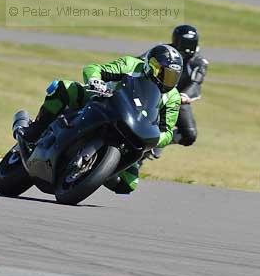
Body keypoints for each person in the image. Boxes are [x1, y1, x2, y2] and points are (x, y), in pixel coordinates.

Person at [20, 44, 183, 194]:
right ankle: (35, 130)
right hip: (102, 102)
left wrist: (155, 137)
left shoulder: (173, 96)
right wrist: (95, 80)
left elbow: (167, 131)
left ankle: (95, 173)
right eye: (162, 72)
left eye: (172, 77)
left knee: (129, 184)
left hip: (132, 127)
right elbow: (94, 69)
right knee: (65, 88)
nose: (166, 79)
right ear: (150, 65)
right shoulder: (131, 65)